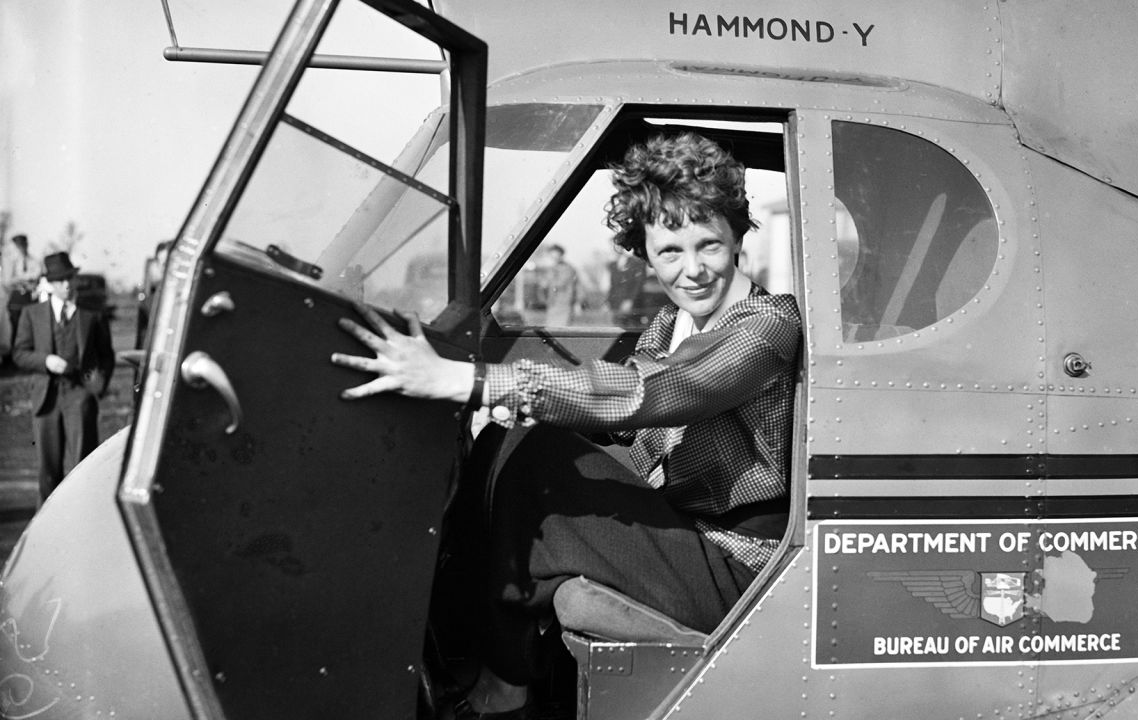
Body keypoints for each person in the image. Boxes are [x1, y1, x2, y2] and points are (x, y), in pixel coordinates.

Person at [331, 133, 801, 719]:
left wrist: (471, 380)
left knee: (541, 456)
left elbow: (653, 391)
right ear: (646, 255)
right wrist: (510, 409)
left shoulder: (767, 325)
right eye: (670, 252)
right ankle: (449, 659)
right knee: (511, 438)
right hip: (685, 534)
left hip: (741, 568)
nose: (693, 269)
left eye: (709, 245)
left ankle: (504, 687)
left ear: (738, 238)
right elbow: (627, 422)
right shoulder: (667, 328)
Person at [12, 252, 116, 504]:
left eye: (69, 278)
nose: (66, 285)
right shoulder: (32, 314)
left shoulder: (91, 315)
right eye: (59, 281)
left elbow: (106, 356)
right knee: (48, 472)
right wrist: (45, 361)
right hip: (46, 399)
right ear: (49, 283)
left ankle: (85, 522)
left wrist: (95, 387)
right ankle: (46, 532)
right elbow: (19, 354)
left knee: (84, 467)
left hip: (79, 396)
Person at [2, 234, 40, 349]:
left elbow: (36, 277)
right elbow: (7, 281)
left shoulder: (33, 261)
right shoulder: (11, 261)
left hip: (29, 297)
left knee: (28, 325)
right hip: (15, 298)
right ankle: (14, 351)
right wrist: (24, 278)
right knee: (14, 325)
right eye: (18, 246)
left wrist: (20, 279)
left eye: (23, 245)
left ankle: (25, 350)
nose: (21, 248)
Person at [537, 243, 578, 326]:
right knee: (550, 329)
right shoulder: (551, 269)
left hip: (564, 305)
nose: (554, 258)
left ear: (561, 255)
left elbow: (560, 283)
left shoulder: (568, 269)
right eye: (552, 256)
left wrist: (547, 282)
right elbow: (543, 286)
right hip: (552, 304)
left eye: (556, 255)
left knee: (562, 331)